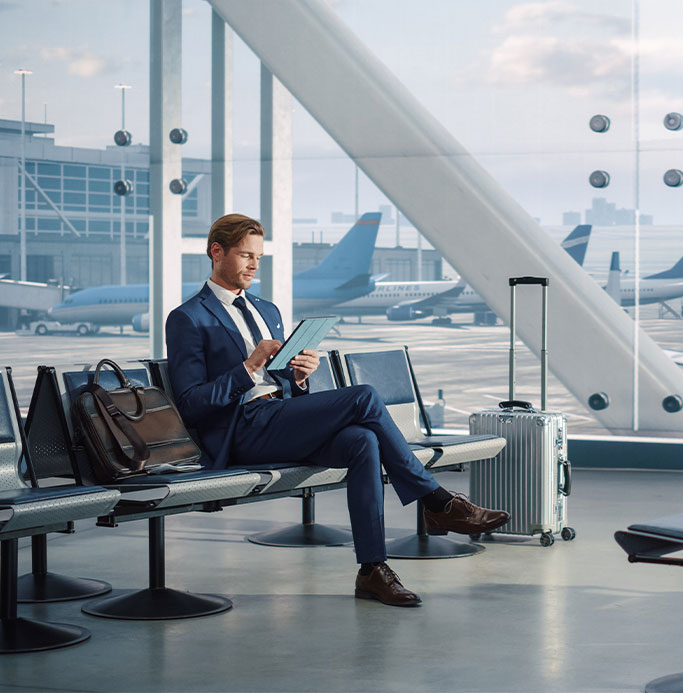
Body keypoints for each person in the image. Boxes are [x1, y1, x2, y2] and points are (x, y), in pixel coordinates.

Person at [166, 214, 509, 607]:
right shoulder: (188, 318)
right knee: (363, 397)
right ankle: (437, 501)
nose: (254, 265)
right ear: (216, 252)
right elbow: (191, 404)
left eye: (259, 257)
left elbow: (284, 386)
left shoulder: (267, 310)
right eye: (246, 255)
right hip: (240, 431)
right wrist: (249, 367)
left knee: (362, 441)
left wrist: (299, 377)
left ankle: (372, 570)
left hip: (279, 420)